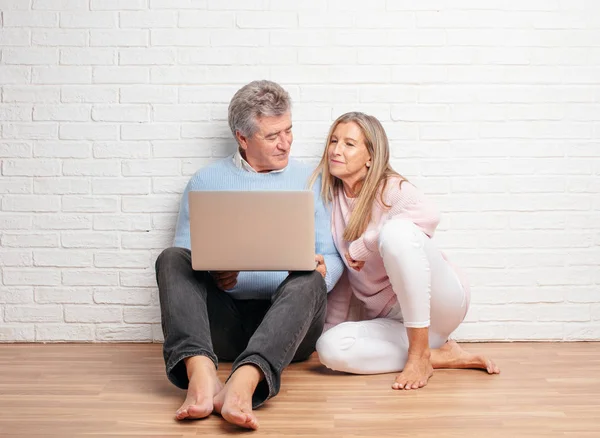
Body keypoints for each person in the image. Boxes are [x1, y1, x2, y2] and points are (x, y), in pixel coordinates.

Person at [155, 80, 343, 429]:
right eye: (272, 136)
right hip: (221, 325)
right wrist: (213, 273)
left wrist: (322, 267)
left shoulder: (313, 179)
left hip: (288, 327)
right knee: (170, 258)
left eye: (288, 131)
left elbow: (333, 258)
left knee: (311, 278)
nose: (285, 142)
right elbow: (185, 262)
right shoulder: (205, 181)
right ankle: (201, 374)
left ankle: (244, 381)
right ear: (243, 138)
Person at [311, 112, 500, 391]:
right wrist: (332, 327)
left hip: (440, 303)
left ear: (371, 157)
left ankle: (419, 354)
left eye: (349, 144)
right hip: (393, 319)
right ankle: (436, 355)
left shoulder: (390, 188)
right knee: (329, 349)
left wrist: (366, 244)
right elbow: (345, 277)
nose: (336, 150)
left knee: (396, 232)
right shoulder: (331, 201)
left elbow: (429, 214)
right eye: (334, 141)